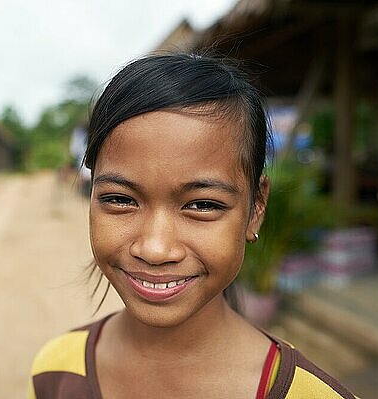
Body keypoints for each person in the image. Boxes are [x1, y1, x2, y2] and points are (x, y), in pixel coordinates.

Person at [29, 53, 357, 399]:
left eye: (203, 205)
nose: (155, 249)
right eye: (121, 199)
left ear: (256, 207)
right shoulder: (55, 373)